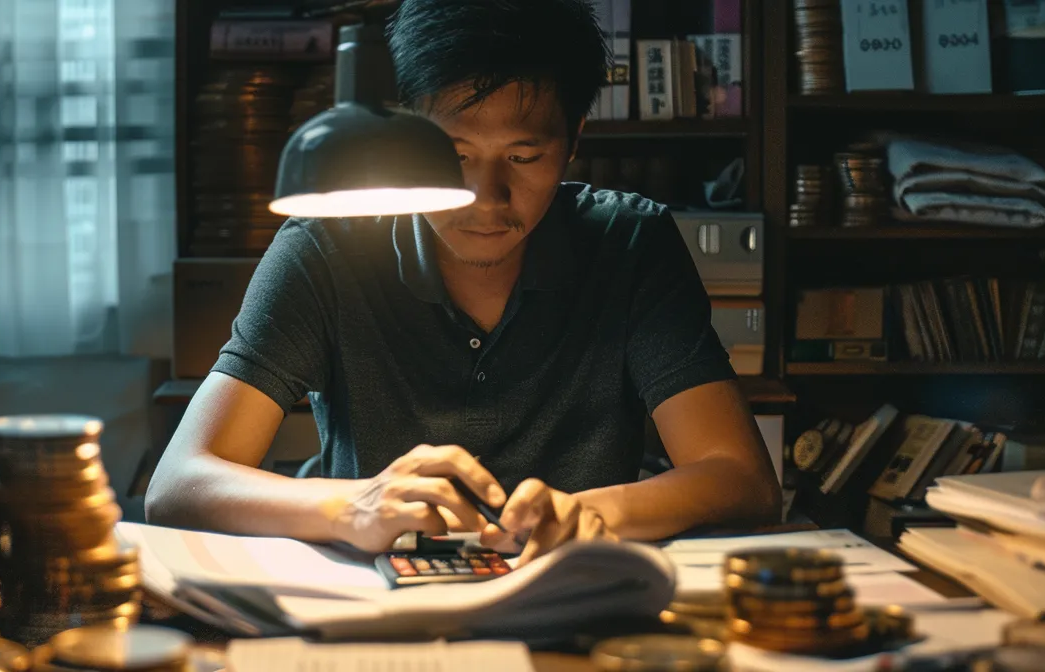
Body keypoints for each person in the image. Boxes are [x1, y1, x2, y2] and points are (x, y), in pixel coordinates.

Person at [147, 0, 780, 562]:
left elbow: (742, 479)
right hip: (377, 612)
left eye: (524, 157)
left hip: (571, 595)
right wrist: (353, 507)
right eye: (452, 156)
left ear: (574, 139)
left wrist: (594, 513)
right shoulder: (327, 247)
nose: (486, 198)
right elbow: (178, 483)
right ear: (402, 129)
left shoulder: (628, 243)